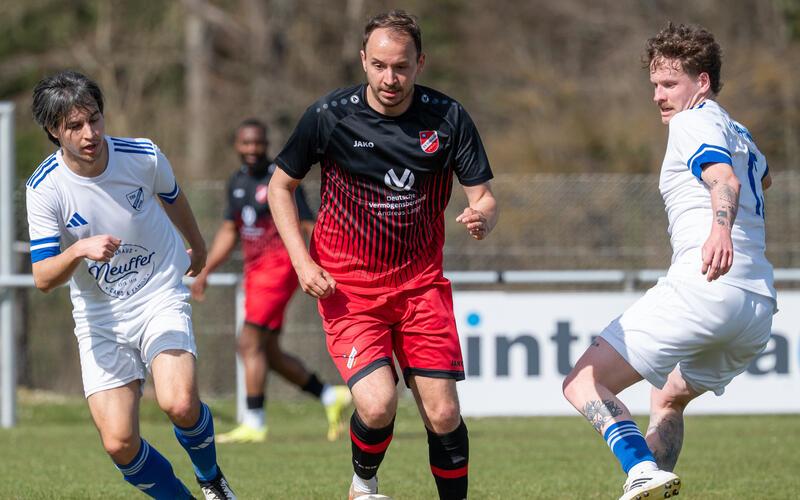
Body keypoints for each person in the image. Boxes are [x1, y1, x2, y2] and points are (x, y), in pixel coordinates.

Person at [268, 10, 497, 500]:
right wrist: (302, 263)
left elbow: (485, 196)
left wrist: (483, 215)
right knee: (377, 405)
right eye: (378, 66)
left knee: (443, 413)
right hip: (348, 286)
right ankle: (363, 484)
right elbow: (279, 188)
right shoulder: (330, 115)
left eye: (401, 67)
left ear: (420, 63)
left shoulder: (448, 118)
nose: (389, 78)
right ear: (362, 62)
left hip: (420, 285)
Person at [562, 23, 776, 500]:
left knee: (583, 381)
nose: (659, 95)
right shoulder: (738, 131)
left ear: (702, 82)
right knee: (668, 395)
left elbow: (727, 180)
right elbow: (762, 180)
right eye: (655, 85)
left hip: (705, 286)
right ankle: (654, 486)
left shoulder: (692, 120)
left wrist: (719, 229)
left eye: (670, 84)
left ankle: (639, 467)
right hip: (757, 305)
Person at [26, 71, 236, 500]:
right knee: (118, 442)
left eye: (95, 119)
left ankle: (211, 478)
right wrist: (77, 251)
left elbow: (173, 197)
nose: (91, 134)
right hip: (100, 316)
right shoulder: (44, 188)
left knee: (178, 402)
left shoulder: (141, 155)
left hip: (158, 291)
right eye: (75, 126)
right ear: (53, 131)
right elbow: (44, 277)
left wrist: (197, 247)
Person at [190, 118, 351, 443]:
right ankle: (330, 397)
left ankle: (254, 422)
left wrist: (332, 261)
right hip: (255, 272)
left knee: (247, 343)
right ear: (237, 145)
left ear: (266, 144)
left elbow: (308, 223)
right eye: (246, 143)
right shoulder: (236, 182)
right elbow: (230, 230)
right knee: (270, 352)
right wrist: (206, 269)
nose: (252, 149)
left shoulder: (281, 179)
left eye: (257, 143)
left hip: (280, 269)